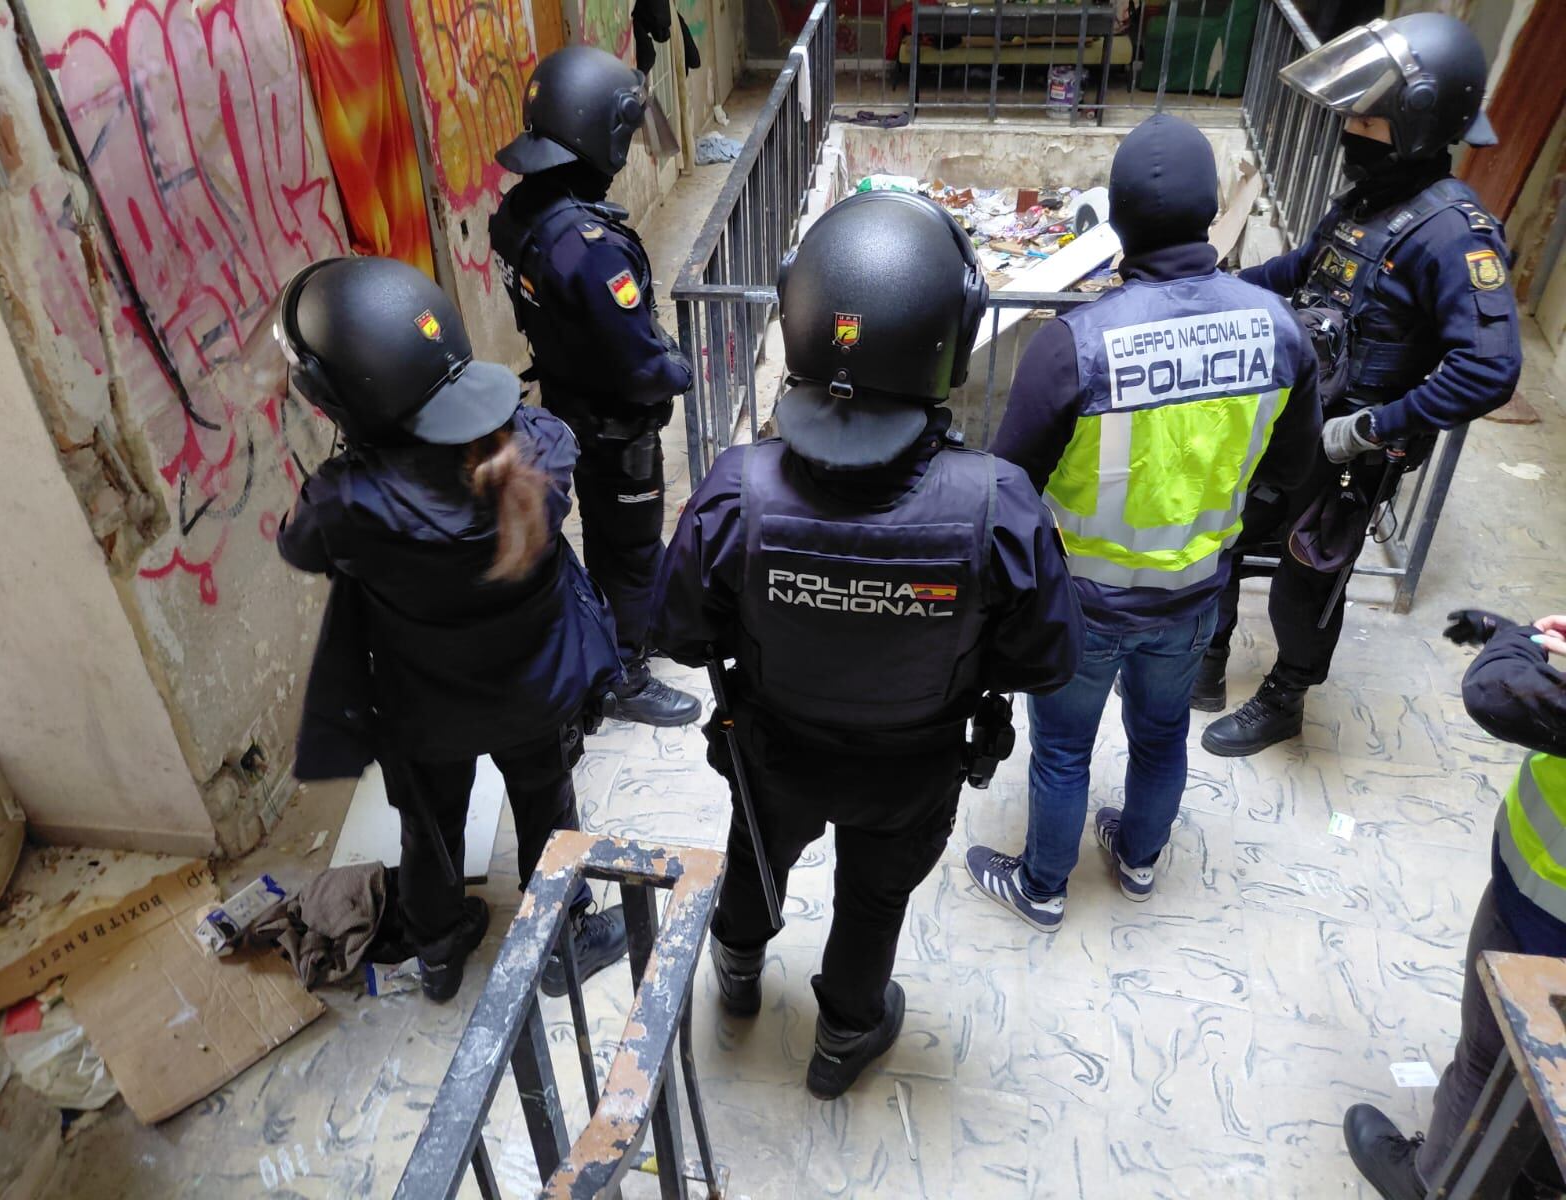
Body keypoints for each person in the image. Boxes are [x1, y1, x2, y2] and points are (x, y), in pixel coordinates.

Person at [651, 191, 1084, 1099]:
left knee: (756, 860)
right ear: (947, 340)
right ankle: (845, 1035)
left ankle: (735, 969)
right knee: (875, 898)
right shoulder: (1000, 503)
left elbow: (681, 633)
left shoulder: (738, 490)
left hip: (772, 752)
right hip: (914, 765)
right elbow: (1044, 661)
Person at [965, 115, 1321, 931]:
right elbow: (1291, 473)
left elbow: (1009, 484)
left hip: (1083, 602)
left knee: (1062, 749)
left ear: (1116, 219)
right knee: (1161, 736)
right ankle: (1138, 860)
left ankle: (1044, 887)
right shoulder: (1278, 329)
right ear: (1208, 212)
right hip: (1196, 596)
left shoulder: (1075, 344)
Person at [274, 256, 629, 1002]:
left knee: (430, 823)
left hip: (424, 706)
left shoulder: (345, 503)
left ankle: (438, 948)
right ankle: (562, 941)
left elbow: (299, 546)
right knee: (546, 807)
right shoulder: (543, 448)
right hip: (536, 689)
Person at [1199, 12, 1523, 757]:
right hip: (1291, 417)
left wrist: (1375, 428)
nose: (1348, 129)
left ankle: (1284, 697)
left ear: (1417, 124)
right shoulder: (1368, 202)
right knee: (1216, 534)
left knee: (1305, 579)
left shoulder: (1455, 234)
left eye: (1364, 119)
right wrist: (1208, 292)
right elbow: (1299, 270)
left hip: (1352, 448)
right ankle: (1206, 665)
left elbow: (1490, 367)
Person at [490, 45, 700, 728]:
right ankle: (627, 673)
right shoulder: (591, 245)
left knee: (614, 534)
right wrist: (679, 369)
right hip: (615, 417)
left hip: (568, 398)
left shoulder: (520, 213)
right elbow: (640, 362)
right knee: (632, 543)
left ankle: (636, 629)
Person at [1343, 609, 1566, 1199]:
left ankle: (1429, 1181)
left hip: (1544, 912)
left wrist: (1518, 640)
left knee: (1489, 1059)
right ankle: (1536, 1179)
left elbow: (1494, 692)